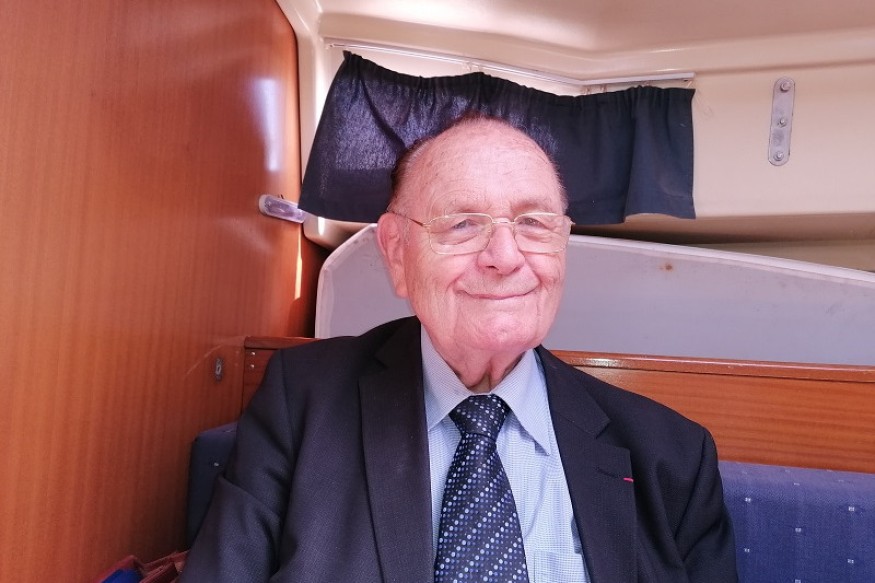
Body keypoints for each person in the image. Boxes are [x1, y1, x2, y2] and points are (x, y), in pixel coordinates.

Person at [181, 115, 738, 582]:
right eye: (463, 224)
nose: (505, 256)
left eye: (533, 223)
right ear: (397, 253)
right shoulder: (301, 402)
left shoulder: (673, 456)